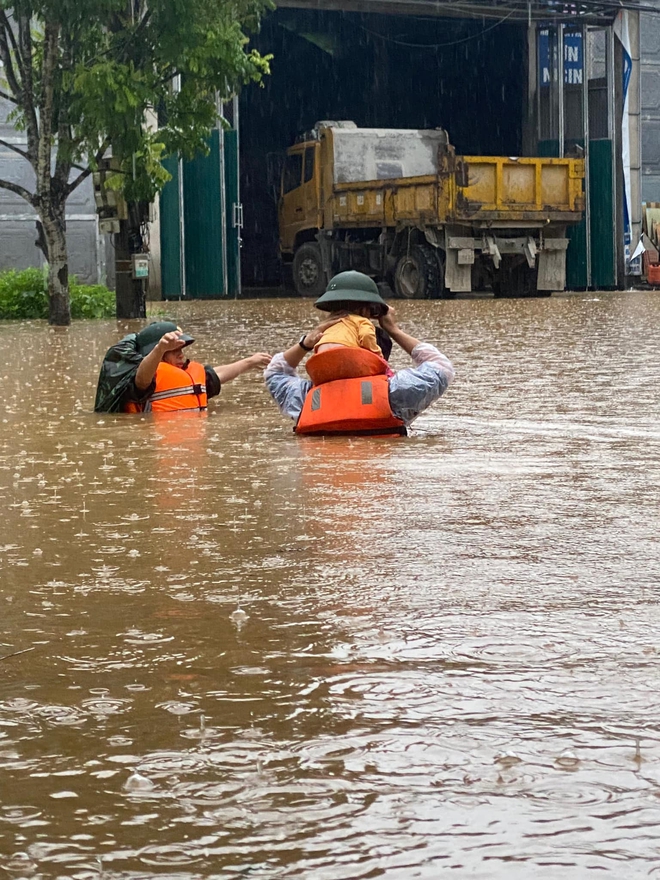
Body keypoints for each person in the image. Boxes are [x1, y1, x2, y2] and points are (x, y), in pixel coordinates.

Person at [264, 274, 455, 435]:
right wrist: (394, 330)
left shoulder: (305, 400)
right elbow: (442, 367)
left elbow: (274, 372)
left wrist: (305, 344)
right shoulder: (395, 394)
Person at [94, 320, 270, 413]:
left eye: (182, 349)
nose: (181, 354)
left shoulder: (186, 374)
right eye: (173, 350)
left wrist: (249, 362)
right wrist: (160, 348)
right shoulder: (143, 381)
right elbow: (141, 380)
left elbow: (216, 375)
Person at [313, 271, 387, 357]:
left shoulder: (327, 324)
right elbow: (367, 335)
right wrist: (378, 355)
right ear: (364, 310)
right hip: (346, 354)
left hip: (320, 355)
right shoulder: (362, 321)